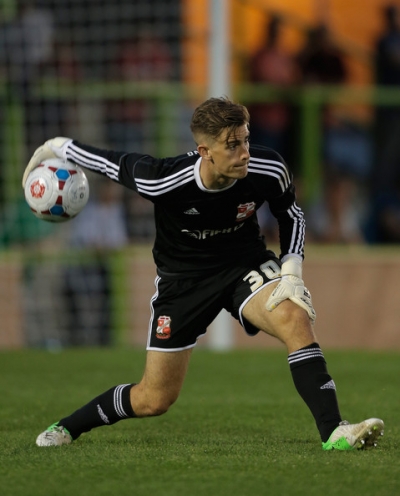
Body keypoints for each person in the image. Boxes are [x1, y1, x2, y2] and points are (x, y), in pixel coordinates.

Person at [22, 97, 384, 451]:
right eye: (232, 145)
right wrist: (59, 146)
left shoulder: (267, 168)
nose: (244, 151)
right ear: (204, 151)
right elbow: (110, 163)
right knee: (154, 398)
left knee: (294, 315)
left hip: (244, 265)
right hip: (183, 282)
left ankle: (334, 431)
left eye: (245, 138)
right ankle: (67, 427)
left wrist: (292, 271)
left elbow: (291, 214)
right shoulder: (162, 179)